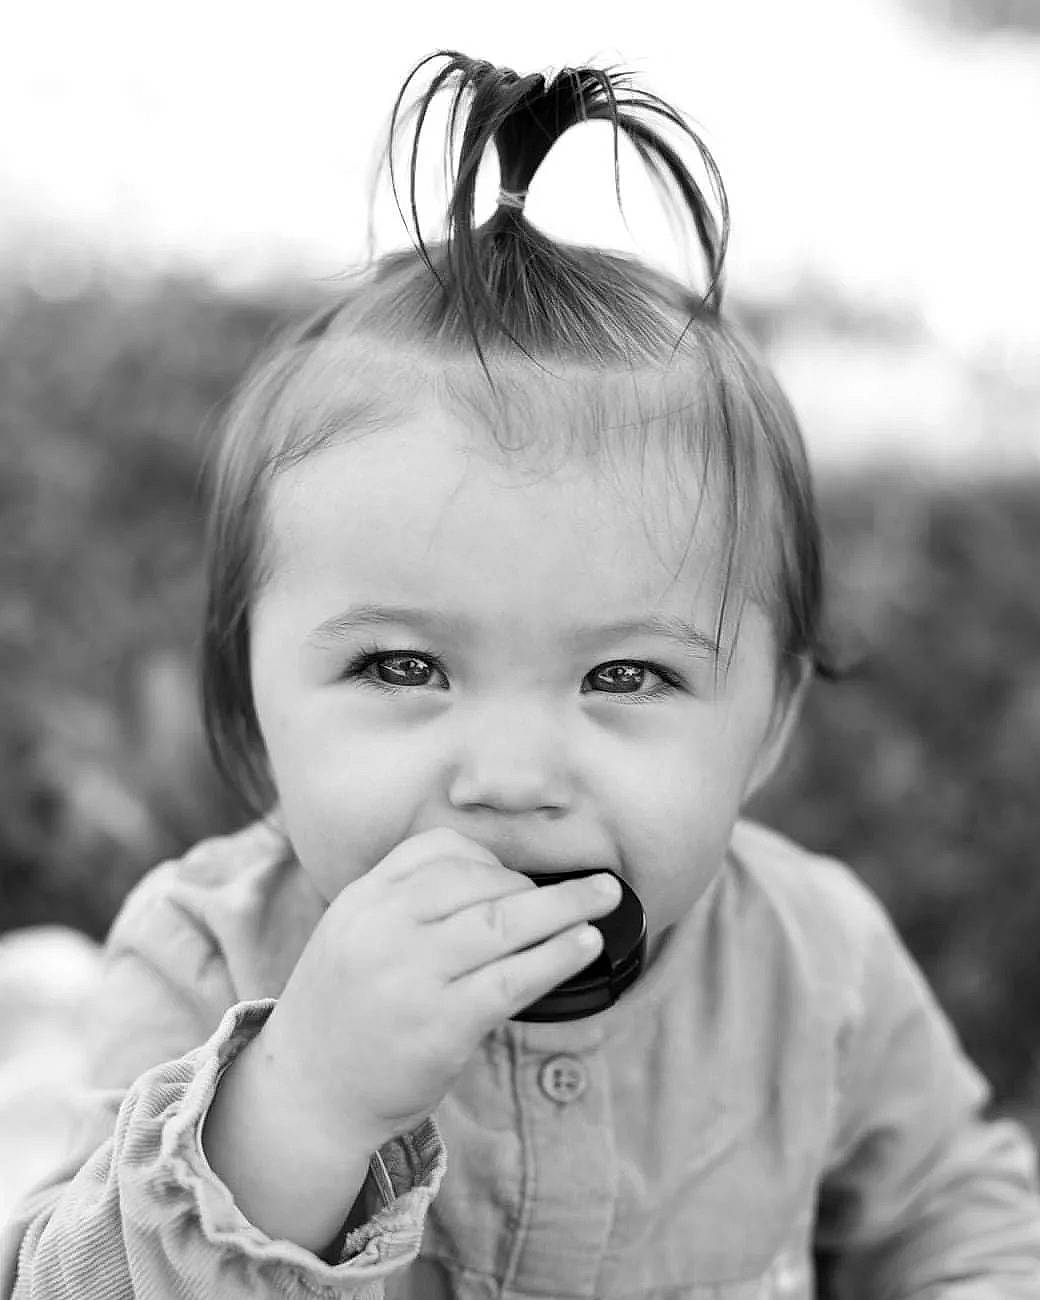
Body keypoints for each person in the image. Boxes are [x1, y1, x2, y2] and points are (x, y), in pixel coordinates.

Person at [3, 50, 1039, 1300]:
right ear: (253, 698)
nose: (507, 777)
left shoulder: (814, 960)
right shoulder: (204, 960)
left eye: (623, 675)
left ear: (767, 723)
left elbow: (947, 1210)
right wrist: (299, 1112)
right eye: (402, 664)